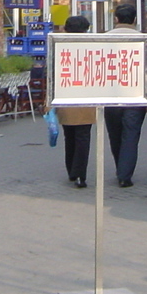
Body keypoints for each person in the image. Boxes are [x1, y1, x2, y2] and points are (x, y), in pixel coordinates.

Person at [103, 2, 146, 188]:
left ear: (116, 19)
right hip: (136, 96)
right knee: (131, 135)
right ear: (135, 20)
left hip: (111, 96)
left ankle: (120, 167)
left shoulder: (103, 39)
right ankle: (124, 174)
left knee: (115, 134)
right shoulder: (144, 39)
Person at [54, 15, 95, 189]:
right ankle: (80, 175)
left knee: (69, 136)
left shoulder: (59, 47)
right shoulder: (93, 48)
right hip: (86, 99)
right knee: (83, 138)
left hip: (65, 97)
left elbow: (53, 75)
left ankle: (72, 170)